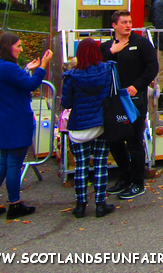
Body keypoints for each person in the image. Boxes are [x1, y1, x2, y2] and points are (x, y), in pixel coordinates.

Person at [0, 33, 52, 220]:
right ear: (8, 47)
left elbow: (13, 84)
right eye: (18, 46)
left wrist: (26, 69)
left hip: (2, 120)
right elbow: (30, 85)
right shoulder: (8, 68)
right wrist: (42, 66)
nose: (21, 49)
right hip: (16, 120)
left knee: (3, 163)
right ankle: (15, 203)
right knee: (13, 165)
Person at [100, 10, 159, 201]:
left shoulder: (141, 43)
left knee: (134, 140)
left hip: (134, 99)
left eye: (130, 21)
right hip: (112, 100)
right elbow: (97, 66)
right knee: (115, 140)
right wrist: (111, 53)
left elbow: (152, 67)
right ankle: (124, 178)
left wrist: (137, 86)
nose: (128, 25)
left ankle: (137, 182)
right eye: (123, 22)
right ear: (114, 26)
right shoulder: (106, 46)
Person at [61, 38, 116, 218]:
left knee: (81, 166)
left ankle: (80, 204)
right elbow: (112, 93)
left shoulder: (72, 76)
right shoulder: (108, 70)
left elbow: (66, 103)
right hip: (101, 123)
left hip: (79, 124)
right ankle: (100, 203)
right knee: (100, 164)